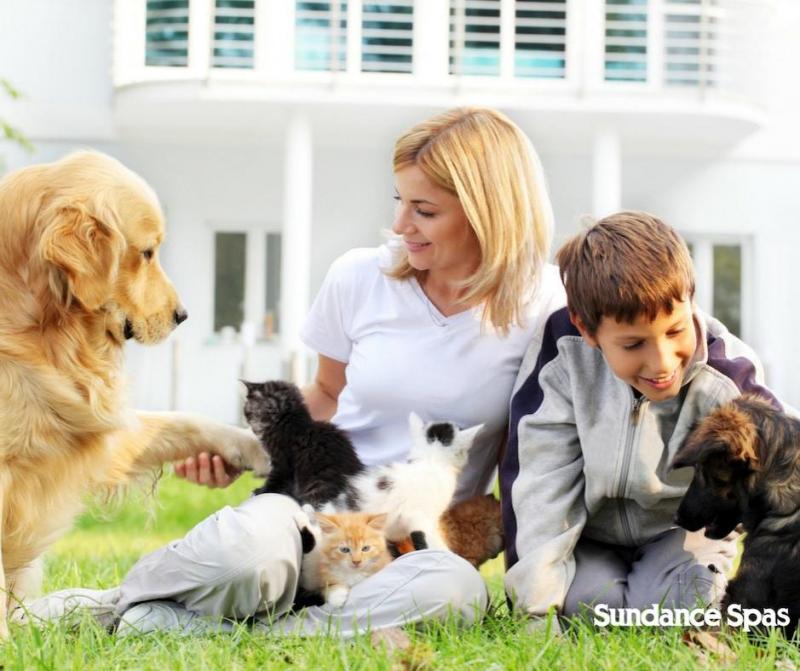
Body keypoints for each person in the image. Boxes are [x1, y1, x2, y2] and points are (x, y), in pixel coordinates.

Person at [22, 107, 564, 637]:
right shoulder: (359, 276)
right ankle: (119, 605)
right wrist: (243, 454)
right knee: (243, 554)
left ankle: (257, 629)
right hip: (310, 514)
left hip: (408, 547)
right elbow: (326, 395)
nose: (401, 225)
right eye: (400, 201)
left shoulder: (544, 308)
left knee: (455, 593)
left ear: (485, 212)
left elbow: (546, 459)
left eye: (423, 210)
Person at [500, 211, 781, 627]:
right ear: (587, 328)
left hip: (681, 535)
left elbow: (783, 479)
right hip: (587, 537)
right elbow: (539, 483)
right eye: (633, 344)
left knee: (674, 613)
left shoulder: (729, 375)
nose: (663, 362)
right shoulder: (563, 356)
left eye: (675, 331)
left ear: (691, 298)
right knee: (586, 611)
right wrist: (536, 610)